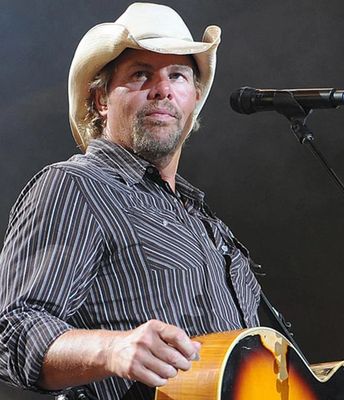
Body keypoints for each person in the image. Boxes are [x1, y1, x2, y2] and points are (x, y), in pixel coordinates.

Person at [0, 3, 261, 399]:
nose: (162, 89)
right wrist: (111, 349)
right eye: (141, 74)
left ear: (193, 99)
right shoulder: (77, 186)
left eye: (177, 75)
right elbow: (11, 330)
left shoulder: (204, 222)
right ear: (101, 100)